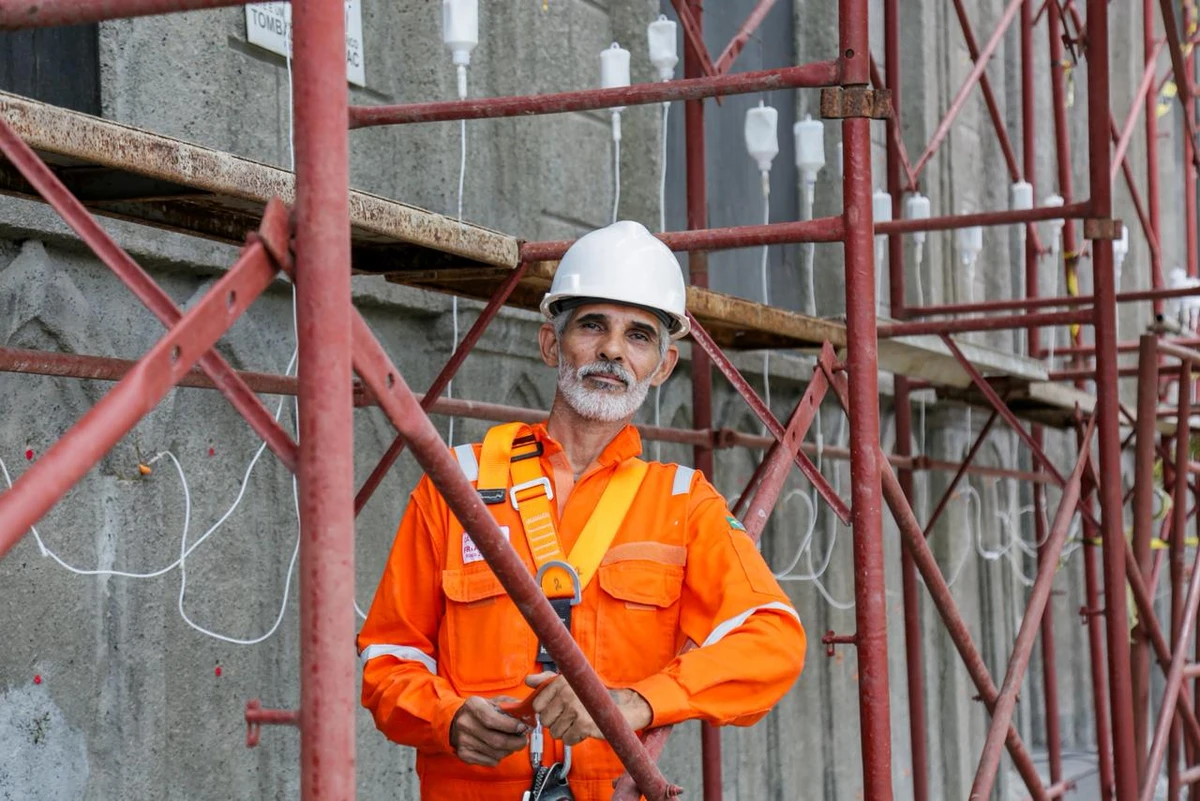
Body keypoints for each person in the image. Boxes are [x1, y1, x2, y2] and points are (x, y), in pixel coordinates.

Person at [358, 220, 806, 801]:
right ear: (551, 345)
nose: (613, 350)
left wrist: (637, 703)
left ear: (663, 367)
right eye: (593, 325)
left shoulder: (681, 503)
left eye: (639, 336)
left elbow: (772, 641)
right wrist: (444, 717)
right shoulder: (458, 486)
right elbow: (389, 657)